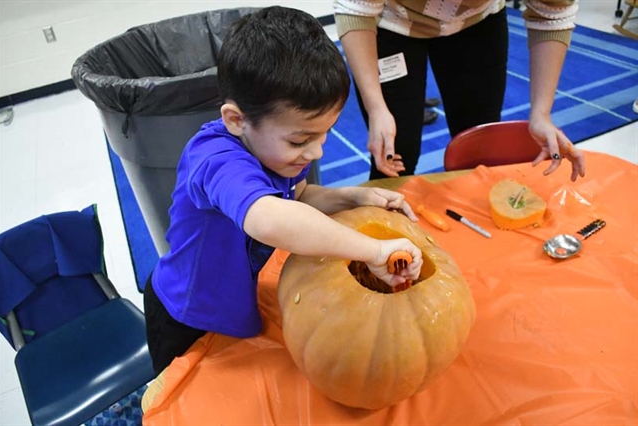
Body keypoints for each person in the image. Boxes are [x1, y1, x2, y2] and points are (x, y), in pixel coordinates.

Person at [143, 6, 424, 375]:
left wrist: (353, 197)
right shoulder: (215, 160)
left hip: (232, 301)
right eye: (300, 140)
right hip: (186, 315)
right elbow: (268, 218)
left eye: (325, 134)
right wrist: (373, 251)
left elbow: (299, 196)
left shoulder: (276, 152)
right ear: (236, 120)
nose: (316, 152)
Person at [333, 0, 586, 182]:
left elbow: (553, 12)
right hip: (392, 22)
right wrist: (376, 108)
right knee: (395, 153)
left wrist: (541, 113)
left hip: (477, 23)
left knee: (479, 147)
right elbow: (355, 9)